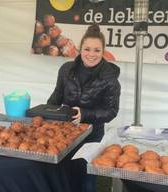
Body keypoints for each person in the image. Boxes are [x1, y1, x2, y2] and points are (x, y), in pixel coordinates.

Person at [47, 23, 121, 192]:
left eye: (97, 50)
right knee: (65, 174)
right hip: (66, 132)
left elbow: (111, 111)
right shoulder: (66, 70)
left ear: (103, 52)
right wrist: (46, 113)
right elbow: (56, 96)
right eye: (87, 49)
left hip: (92, 134)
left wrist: (85, 114)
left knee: (86, 179)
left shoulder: (110, 78)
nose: (91, 54)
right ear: (80, 49)